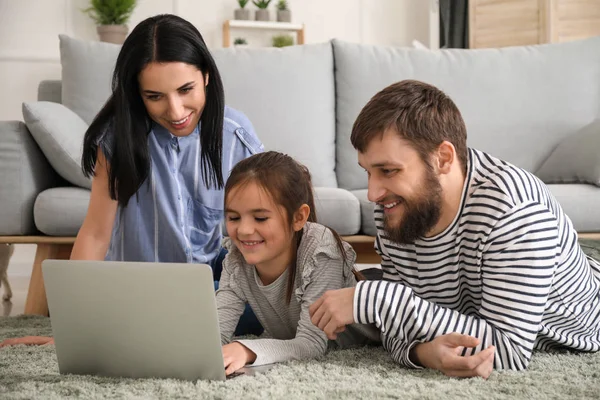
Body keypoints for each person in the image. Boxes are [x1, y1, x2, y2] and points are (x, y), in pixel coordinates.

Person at [0, 14, 265, 348]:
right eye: (154, 96)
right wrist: (70, 330)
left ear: (206, 75)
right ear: (136, 93)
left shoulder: (236, 133)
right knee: (155, 314)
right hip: (139, 288)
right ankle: (146, 323)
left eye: (186, 90)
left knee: (267, 303)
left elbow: (263, 227)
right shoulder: (117, 138)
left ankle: (150, 324)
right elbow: (96, 233)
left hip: (211, 288)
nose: (175, 110)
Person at [309, 79, 600, 379]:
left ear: (443, 158)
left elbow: (510, 351)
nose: (373, 193)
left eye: (388, 170)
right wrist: (423, 353)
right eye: (368, 172)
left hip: (576, 325)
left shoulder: (513, 211)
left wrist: (378, 298)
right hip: (471, 312)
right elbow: (395, 330)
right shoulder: (395, 209)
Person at [217, 151, 380, 376]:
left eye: (260, 218)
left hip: (373, 312)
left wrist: (246, 349)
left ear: (299, 218)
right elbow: (216, 333)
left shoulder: (321, 250)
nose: (243, 230)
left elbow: (310, 345)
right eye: (234, 218)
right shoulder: (236, 258)